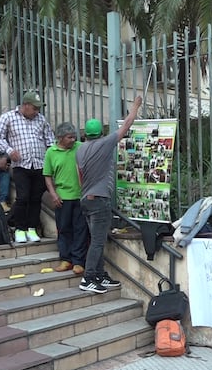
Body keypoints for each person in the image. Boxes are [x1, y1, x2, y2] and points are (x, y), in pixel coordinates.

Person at [76, 96, 143, 293]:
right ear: (101, 132)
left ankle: (99, 274)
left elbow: (80, 175)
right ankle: (88, 278)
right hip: (99, 200)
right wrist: (135, 106)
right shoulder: (105, 144)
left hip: (86, 199)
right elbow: (127, 126)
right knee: (97, 241)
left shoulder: (80, 150)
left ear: (86, 133)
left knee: (97, 238)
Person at [0, 91, 54, 243]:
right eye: (35, 108)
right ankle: (20, 228)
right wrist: (9, 151)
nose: (37, 111)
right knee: (23, 197)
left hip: (39, 164)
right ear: (25, 105)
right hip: (21, 165)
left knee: (35, 198)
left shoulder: (41, 119)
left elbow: (50, 139)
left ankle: (32, 228)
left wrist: (52, 158)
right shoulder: (8, 117)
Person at [43, 122, 88, 275]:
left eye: (74, 137)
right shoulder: (51, 152)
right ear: (60, 138)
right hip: (62, 197)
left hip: (80, 196)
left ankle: (78, 261)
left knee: (81, 229)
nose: (73, 140)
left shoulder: (80, 147)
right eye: (69, 137)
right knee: (63, 229)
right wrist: (53, 194)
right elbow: (47, 176)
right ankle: (65, 259)